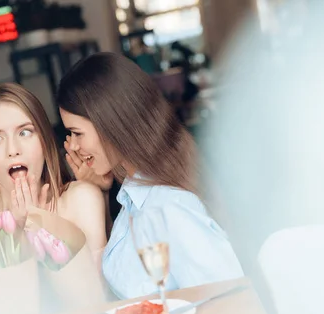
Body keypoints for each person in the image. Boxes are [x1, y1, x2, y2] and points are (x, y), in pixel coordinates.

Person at [57, 52, 242, 299]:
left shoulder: (168, 207)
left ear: (109, 122)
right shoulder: (134, 198)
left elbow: (229, 302)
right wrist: (100, 193)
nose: (74, 146)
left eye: (77, 133)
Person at [0, 83, 106, 262]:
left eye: (25, 132)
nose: (12, 150)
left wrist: (39, 223)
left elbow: (98, 286)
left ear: (45, 141)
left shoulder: (82, 199)